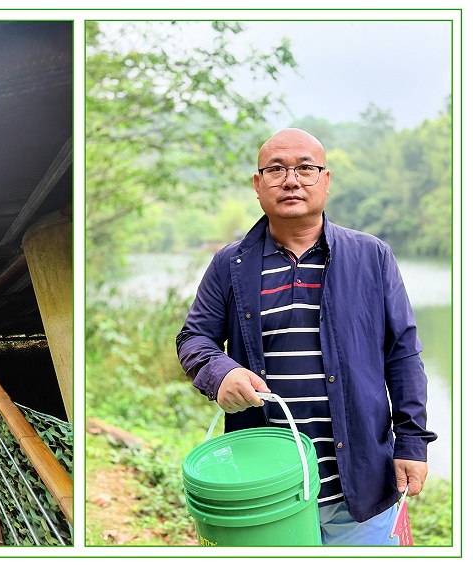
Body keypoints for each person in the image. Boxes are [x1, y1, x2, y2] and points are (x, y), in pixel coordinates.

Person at [176, 128, 437, 546]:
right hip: (267, 491)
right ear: (258, 185)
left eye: (305, 169)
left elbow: (403, 355)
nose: (291, 180)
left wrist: (412, 441)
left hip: (363, 487)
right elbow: (194, 338)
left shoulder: (371, 256)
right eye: (276, 169)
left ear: (326, 181)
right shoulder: (231, 264)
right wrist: (220, 372)